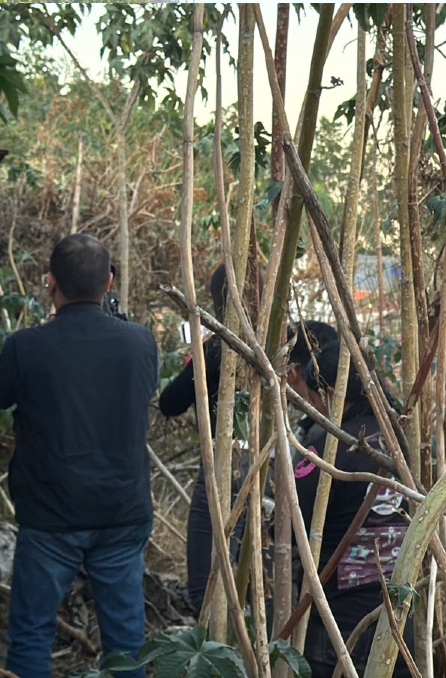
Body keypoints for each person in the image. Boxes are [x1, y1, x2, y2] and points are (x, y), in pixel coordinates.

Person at [0, 234, 159, 678]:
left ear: (51, 283)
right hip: (121, 510)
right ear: (109, 283)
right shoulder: (140, 342)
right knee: (126, 641)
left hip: (51, 513)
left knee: (31, 632)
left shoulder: (24, 347)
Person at [158, 263, 337, 612]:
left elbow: (170, 402)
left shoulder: (220, 349)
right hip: (294, 465)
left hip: (228, 467)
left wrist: (203, 354)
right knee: (272, 587)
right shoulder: (298, 340)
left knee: (206, 589)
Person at [293, 341, 411, 678]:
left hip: (339, 625)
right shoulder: (400, 438)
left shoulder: (328, 448)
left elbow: (293, 522)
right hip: (399, 612)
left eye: (313, 397)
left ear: (329, 392)